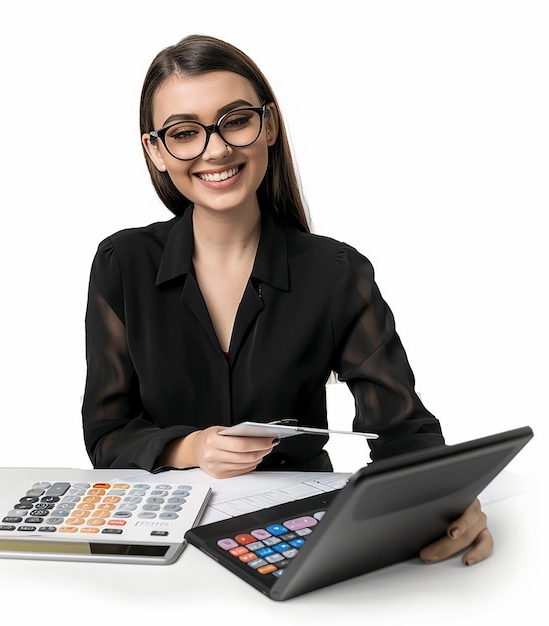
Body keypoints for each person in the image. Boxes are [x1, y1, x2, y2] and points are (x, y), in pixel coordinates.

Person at [81, 34, 492, 566]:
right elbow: (107, 435)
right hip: (160, 533)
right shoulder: (122, 263)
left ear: (268, 126)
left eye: (235, 120)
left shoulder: (335, 272)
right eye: (184, 133)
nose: (216, 148)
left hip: (296, 533)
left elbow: (402, 427)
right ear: (156, 151)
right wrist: (193, 448)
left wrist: (447, 502)